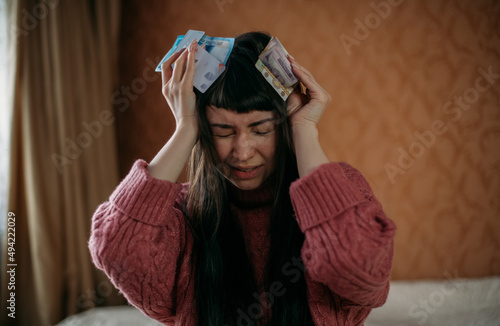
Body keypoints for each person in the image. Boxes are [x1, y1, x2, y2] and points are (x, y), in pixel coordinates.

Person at [89, 32, 396, 326]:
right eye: (223, 131)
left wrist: (304, 128)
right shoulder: (178, 218)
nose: (243, 151)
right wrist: (184, 128)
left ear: (284, 126)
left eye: (261, 129)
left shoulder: (344, 191)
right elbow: (115, 250)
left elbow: (362, 269)